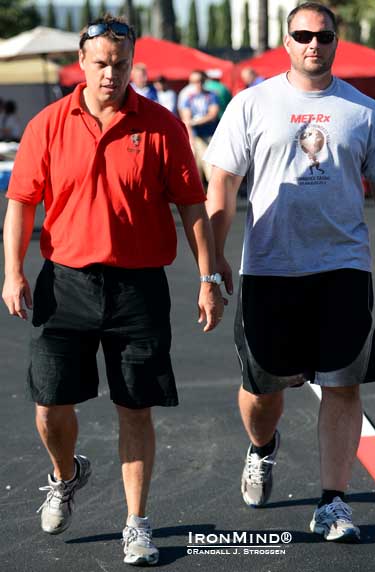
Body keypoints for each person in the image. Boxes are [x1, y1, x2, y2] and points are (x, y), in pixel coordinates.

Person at [2, 15, 224, 567]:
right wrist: (13, 271)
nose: (110, 73)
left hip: (138, 289)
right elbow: (21, 204)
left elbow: (192, 207)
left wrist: (210, 276)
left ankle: (137, 524)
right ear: (81, 64)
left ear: (132, 65)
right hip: (66, 285)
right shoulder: (48, 124)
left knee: (135, 409)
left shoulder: (162, 125)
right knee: (50, 406)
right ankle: (65, 474)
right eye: (100, 63)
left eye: (120, 64)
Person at [205, 1, 375, 543]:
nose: (313, 45)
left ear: (336, 41)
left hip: (342, 268)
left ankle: (333, 502)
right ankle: (261, 448)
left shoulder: (364, 111)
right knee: (262, 392)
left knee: (343, 385)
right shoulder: (252, 104)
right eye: (302, 35)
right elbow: (223, 185)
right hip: (269, 270)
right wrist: (214, 261)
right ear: (286, 41)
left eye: (323, 36)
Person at [180, 70, 220, 184]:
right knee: (195, 174)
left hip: (210, 137)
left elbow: (213, 114)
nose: (197, 84)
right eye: (194, 81)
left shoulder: (211, 95)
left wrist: (195, 122)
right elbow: (186, 118)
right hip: (196, 138)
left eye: (199, 81)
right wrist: (190, 139)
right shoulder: (189, 97)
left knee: (211, 173)